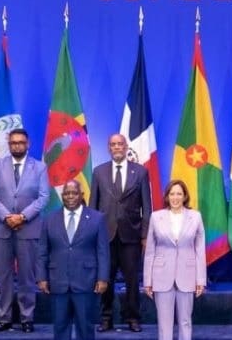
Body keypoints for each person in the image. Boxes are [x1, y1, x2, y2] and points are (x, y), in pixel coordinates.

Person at [0, 129, 51, 333]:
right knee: (3, 276)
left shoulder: (39, 167)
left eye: (21, 142)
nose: (17, 146)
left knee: (27, 277)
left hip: (28, 229)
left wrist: (22, 217)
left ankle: (27, 318)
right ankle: (4, 318)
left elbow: (44, 197)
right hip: (2, 228)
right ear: (9, 144)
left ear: (27, 144)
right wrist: (7, 217)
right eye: (13, 143)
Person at [90, 133, 152, 332]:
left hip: (131, 236)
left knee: (132, 280)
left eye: (120, 144)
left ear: (126, 147)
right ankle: (106, 318)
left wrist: (145, 235)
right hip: (105, 236)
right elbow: (93, 206)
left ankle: (132, 318)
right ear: (109, 148)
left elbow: (147, 207)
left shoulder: (140, 172)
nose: (117, 147)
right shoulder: (99, 172)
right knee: (105, 277)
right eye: (113, 144)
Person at [37, 180, 110, 340]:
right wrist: (41, 277)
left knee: (85, 328)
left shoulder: (97, 218)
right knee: (60, 328)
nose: (70, 196)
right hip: (58, 282)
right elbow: (42, 251)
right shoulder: (49, 219)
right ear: (62, 196)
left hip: (86, 282)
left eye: (74, 193)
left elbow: (103, 251)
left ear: (81, 195)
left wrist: (103, 278)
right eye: (67, 193)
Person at [143, 180, 206, 340]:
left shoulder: (195, 217)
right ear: (167, 196)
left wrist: (200, 280)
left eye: (179, 194)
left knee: (185, 321)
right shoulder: (156, 217)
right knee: (164, 324)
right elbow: (150, 251)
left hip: (187, 275)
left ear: (185, 196)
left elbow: (200, 251)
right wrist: (148, 281)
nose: (175, 197)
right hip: (161, 276)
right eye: (172, 194)